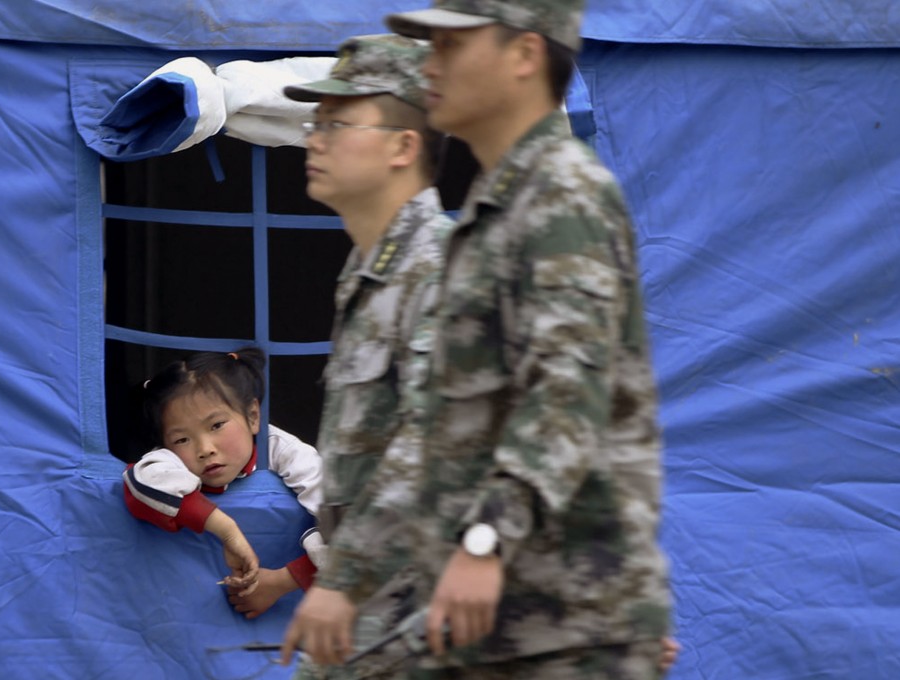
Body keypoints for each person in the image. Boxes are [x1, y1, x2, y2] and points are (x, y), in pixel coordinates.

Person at [281, 0, 674, 677]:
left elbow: (565, 391)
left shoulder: (565, 194)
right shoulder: (491, 218)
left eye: (453, 47)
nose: (431, 66)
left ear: (524, 55)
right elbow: (451, 433)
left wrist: (484, 542)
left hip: (565, 622)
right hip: (491, 626)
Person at [277, 34, 457, 677]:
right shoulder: (367, 268)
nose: (314, 139)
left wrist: (339, 580)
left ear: (404, 147)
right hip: (373, 606)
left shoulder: (443, 267)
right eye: (314, 122)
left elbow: (436, 443)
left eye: (337, 122)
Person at [122, 347, 327, 619]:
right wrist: (228, 531)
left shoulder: (288, 452)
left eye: (216, 425)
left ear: (253, 416)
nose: (204, 449)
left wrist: (282, 582)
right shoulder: (169, 459)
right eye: (182, 439)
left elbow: (351, 529)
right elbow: (143, 481)